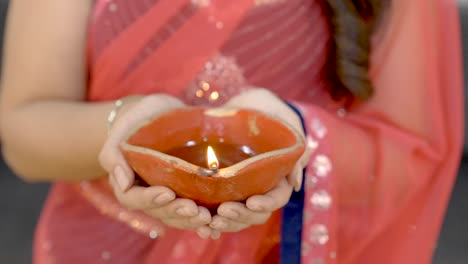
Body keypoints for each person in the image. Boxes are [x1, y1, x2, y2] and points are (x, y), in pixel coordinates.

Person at [0, 0, 463, 263]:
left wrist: (294, 136)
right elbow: (24, 134)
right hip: (96, 249)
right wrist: (124, 128)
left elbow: (412, 154)